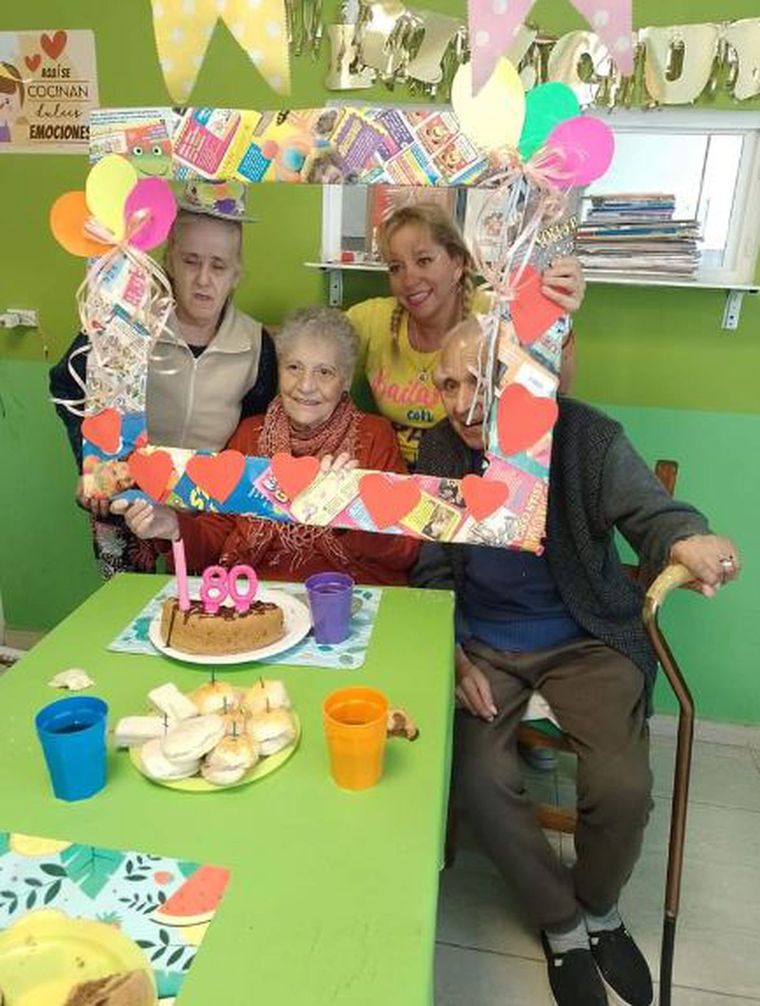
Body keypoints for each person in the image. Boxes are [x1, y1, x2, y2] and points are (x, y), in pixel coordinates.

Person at [412, 318, 741, 1006]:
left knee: (622, 787)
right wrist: (451, 648)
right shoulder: (439, 451)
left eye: (481, 380)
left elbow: (654, 512)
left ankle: (601, 909)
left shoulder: (584, 436)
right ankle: (560, 925)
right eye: (448, 383)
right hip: (485, 644)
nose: (463, 401)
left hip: (584, 633)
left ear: (518, 378)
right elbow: (430, 566)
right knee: (478, 780)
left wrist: (689, 539)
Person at [49, 179, 278, 576]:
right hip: (124, 501)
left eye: (218, 265)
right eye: (191, 261)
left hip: (204, 518)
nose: (204, 278)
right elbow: (65, 383)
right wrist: (90, 464)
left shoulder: (255, 345)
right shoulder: (125, 321)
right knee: (127, 616)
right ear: (170, 260)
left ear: (236, 273)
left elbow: (256, 435)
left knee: (198, 618)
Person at [118, 307, 419, 585]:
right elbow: (217, 532)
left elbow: (405, 550)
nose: (305, 385)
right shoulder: (249, 434)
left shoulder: (374, 436)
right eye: (294, 367)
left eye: (324, 372)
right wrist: (173, 526)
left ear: (346, 380)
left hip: (346, 596)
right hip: (257, 592)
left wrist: (347, 512)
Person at [345, 201, 585, 467]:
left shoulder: (497, 316)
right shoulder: (368, 320)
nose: (409, 279)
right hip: (389, 476)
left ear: (457, 262)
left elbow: (556, 392)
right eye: (395, 267)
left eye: (423, 260)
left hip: (471, 472)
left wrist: (555, 314)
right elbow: (308, 355)